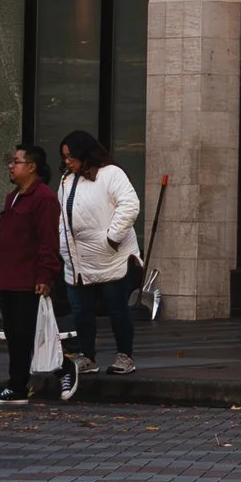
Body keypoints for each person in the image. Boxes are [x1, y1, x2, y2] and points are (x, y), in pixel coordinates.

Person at [0, 143, 70, 407]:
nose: (11, 166)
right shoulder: (13, 197)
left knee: (24, 334)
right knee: (16, 335)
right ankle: (19, 383)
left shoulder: (43, 198)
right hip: (7, 276)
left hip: (27, 279)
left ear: (31, 167)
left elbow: (48, 242)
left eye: (16, 162)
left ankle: (20, 385)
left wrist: (45, 276)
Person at [57, 129, 144, 377]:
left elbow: (129, 205)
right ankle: (87, 356)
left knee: (117, 310)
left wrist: (111, 238)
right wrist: (64, 248)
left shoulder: (111, 174)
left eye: (71, 156)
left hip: (111, 257)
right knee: (80, 311)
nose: (67, 161)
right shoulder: (66, 180)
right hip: (79, 259)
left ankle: (125, 355)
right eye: (64, 157)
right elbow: (62, 217)